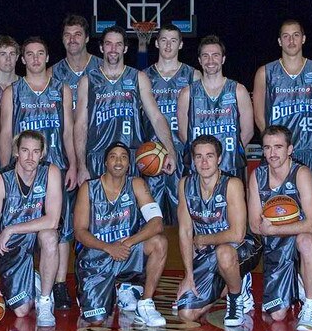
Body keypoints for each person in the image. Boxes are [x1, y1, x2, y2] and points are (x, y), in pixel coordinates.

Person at [252, 19, 312, 315]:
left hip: (310, 154)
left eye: (295, 35)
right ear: (279, 41)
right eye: (285, 36)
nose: (290, 40)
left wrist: (308, 141)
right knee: (279, 216)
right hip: (281, 155)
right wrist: (278, 149)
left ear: (304, 38)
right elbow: (260, 118)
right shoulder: (266, 72)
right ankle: (296, 282)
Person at [0, 36, 77, 309]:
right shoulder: (13, 91)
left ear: (47, 57)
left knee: (61, 230)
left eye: (40, 53)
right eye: (29, 54)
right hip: (23, 169)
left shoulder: (62, 89)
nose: (34, 59)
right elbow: (7, 133)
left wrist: (74, 165)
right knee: (25, 224)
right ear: (23, 59)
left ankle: (58, 284)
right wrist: (5, 168)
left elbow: (68, 131)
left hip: (56, 166)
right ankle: (27, 277)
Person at [0, 130, 62, 327]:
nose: (30, 157)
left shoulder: (51, 172)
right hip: (12, 246)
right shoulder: (0, 180)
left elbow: (53, 220)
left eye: (35, 152)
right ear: (16, 152)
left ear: (42, 154)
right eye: (25, 151)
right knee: (21, 312)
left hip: (33, 234)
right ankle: (34, 280)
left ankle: (45, 300)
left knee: (50, 237)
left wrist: (11, 229)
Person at [74, 141, 168, 327]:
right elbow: (79, 232)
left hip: (126, 252)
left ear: (129, 164)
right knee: (97, 321)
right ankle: (101, 291)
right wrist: (109, 247)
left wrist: (128, 242)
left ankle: (145, 303)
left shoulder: (137, 184)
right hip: (96, 258)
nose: (119, 161)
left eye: (124, 157)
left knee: (159, 242)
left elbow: (157, 223)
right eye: (113, 157)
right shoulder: (88, 188)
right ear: (106, 163)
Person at [74, 25, 177, 184]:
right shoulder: (88, 81)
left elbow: (156, 117)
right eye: (108, 44)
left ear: (125, 48)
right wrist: (81, 166)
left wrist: (171, 151)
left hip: (130, 157)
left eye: (118, 44)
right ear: (101, 47)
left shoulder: (138, 77)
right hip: (97, 157)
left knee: (130, 208)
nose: (113, 49)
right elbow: (80, 125)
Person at [176, 135, 261, 326]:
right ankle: (232, 282)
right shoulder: (185, 185)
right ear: (193, 159)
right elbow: (185, 232)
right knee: (186, 314)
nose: (204, 162)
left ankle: (235, 297)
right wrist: (189, 276)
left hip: (243, 247)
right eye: (199, 157)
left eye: (209, 156)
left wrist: (203, 240)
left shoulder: (232, 184)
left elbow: (237, 234)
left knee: (224, 252)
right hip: (208, 252)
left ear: (219, 158)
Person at [248, 125, 312, 331]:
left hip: (300, 236)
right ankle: (299, 281)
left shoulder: (301, 173)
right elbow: (255, 224)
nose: (272, 153)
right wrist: (272, 232)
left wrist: (274, 229)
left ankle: (310, 304)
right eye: (267, 148)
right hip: (275, 246)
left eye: (278, 147)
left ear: (290, 149)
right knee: (278, 316)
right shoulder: (257, 175)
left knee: (305, 241)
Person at [143, 23, 201, 226]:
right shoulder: (144, 76)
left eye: (173, 40)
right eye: (164, 40)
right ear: (157, 43)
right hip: (151, 154)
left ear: (181, 44)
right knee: (151, 219)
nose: (168, 45)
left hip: (183, 153)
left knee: (185, 218)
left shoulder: (193, 75)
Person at [177, 35, 253, 181]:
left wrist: (229, 154)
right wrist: (203, 157)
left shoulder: (238, 90)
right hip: (199, 167)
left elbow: (248, 131)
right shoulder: (187, 93)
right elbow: (183, 134)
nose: (210, 60)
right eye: (205, 56)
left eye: (215, 55)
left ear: (223, 59)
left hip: (230, 165)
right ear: (199, 60)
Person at [49, 14, 102, 108]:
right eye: (67, 35)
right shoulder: (52, 73)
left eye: (77, 35)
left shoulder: (102, 68)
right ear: (62, 39)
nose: (72, 39)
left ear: (87, 38)